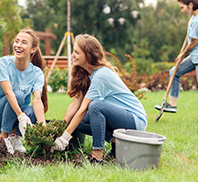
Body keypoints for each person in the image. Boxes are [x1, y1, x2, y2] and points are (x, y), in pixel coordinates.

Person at [51, 34, 148, 162]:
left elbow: (83, 109)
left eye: (76, 52)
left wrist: (64, 139)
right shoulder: (87, 74)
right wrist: (59, 130)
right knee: (78, 122)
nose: (72, 55)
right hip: (119, 119)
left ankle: (97, 154)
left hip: (135, 119)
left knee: (95, 106)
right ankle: (116, 141)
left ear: (88, 55)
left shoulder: (101, 75)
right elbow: (75, 105)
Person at [0, 28, 48, 154]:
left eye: (24, 42)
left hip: (14, 114)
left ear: (33, 49)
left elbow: (37, 100)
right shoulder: (3, 63)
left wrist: (42, 126)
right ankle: (3, 137)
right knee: (18, 94)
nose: (18, 45)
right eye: (16, 41)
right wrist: (21, 116)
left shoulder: (36, 72)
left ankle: (14, 135)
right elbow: (9, 93)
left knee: (33, 112)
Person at [155, 0, 198, 124]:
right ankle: (172, 103)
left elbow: (193, 43)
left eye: (182, 8)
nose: (181, 11)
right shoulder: (197, 14)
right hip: (195, 56)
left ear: (191, 5)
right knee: (174, 72)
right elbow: (190, 37)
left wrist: (182, 55)